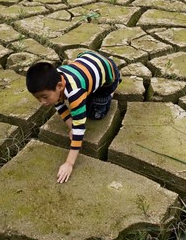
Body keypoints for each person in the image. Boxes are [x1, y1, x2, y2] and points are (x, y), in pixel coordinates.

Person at [26, 51, 121, 183]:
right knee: (77, 106)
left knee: (94, 114)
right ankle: (91, 88)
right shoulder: (56, 77)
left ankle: (111, 89)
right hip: (88, 59)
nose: (42, 102)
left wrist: (69, 163)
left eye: (44, 97)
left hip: (109, 73)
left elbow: (80, 129)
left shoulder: (75, 92)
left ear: (59, 86)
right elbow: (59, 105)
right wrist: (71, 126)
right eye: (38, 98)